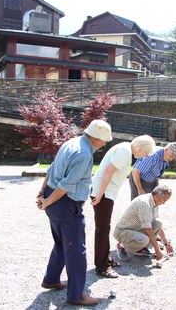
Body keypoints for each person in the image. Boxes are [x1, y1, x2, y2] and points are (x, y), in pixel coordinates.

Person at [36, 119, 112, 307]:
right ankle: (76, 295)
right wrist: (46, 202)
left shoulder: (71, 143)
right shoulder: (84, 154)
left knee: (62, 242)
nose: (104, 144)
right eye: (104, 141)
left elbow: (52, 169)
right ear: (96, 138)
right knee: (77, 250)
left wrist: (43, 191)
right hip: (65, 205)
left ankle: (51, 279)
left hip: (54, 200)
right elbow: (65, 187)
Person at [90, 135, 156, 278]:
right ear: (139, 148)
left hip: (106, 192)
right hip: (103, 192)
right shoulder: (125, 152)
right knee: (102, 229)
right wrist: (100, 194)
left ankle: (106, 258)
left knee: (104, 228)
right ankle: (102, 267)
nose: (143, 157)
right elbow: (108, 171)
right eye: (145, 153)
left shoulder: (125, 148)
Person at [113, 185, 174, 261]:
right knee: (144, 239)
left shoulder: (154, 203)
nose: (163, 203)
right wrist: (157, 249)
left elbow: (157, 227)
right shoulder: (144, 203)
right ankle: (122, 246)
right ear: (157, 196)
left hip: (135, 230)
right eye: (163, 201)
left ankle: (140, 248)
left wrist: (166, 244)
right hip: (122, 232)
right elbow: (147, 229)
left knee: (158, 223)